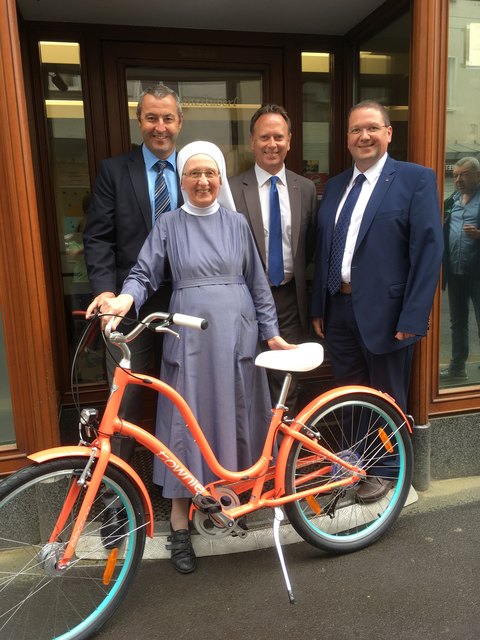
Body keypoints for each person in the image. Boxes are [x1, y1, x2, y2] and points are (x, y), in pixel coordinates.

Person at [87, 141, 294, 574]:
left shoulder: (238, 224)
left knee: (235, 415)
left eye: (211, 173)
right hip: (190, 338)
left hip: (238, 335)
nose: (203, 181)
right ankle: (181, 522)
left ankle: (229, 501)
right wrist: (125, 299)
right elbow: (144, 273)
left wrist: (271, 335)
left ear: (221, 178)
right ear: (182, 180)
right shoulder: (169, 224)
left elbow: (258, 284)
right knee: (186, 425)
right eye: (193, 173)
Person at [311, 100, 443, 501]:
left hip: (389, 315)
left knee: (386, 396)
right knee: (347, 393)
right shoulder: (335, 186)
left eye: (372, 128)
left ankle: (387, 470)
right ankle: (354, 464)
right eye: (355, 130)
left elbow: (428, 250)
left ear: (388, 133)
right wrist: (320, 305)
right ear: (347, 139)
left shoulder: (414, 180)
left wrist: (415, 315)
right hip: (339, 309)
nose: (363, 136)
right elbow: (324, 248)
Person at [83, 82, 183, 442]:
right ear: (139, 120)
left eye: (168, 118)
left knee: (184, 393)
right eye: (152, 117)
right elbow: (97, 236)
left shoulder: (194, 171)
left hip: (183, 301)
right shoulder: (114, 170)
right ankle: (116, 489)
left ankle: (177, 484)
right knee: (124, 398)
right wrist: (107, 291)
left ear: (180, 122)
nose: (160, 126)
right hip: (129, 302)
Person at [230, 104, 317, 413]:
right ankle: (254, 452)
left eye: (278, 137)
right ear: (252, 142)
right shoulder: (230, 189)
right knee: (247, 377)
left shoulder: (305, 188)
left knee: (286, 382)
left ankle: (282, 451)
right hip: (246, 301)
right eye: (264, 137)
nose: (272, 144)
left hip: (290, 299)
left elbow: (309, 245)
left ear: (289, 140)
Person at [440, 157, 480, 382]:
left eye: (464, 174)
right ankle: (457, 368)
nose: (458, 179)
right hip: (455, 272)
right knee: (458, 322)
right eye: (455, 175)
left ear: (477, 176)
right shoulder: (451, 201)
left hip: (477, 273)